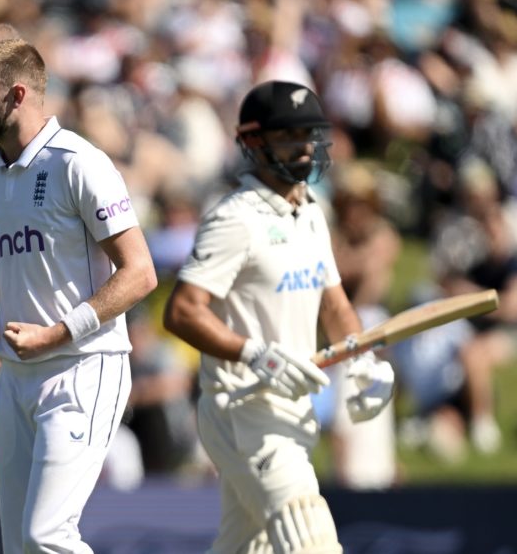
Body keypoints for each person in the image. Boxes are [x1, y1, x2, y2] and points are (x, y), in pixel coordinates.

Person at [0, 37, 157, 554]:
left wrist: (59, 334)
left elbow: (139, 274)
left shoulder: (79, 164)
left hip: (84, 368)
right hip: (16, 382)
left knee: (47, 537)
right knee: (21, 546)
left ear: (16, 94)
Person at [163, 80, 395, 553]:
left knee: (249, 546)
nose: (305, 148)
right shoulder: (233, 219)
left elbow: (335, 305)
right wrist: (255, 354)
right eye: (290, 136)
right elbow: (182, 312)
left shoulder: (311, 212)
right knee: (309, 535)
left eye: (310, 135)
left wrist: (362, 362)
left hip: (293, 410)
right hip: (241, 407)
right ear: (253, 142)